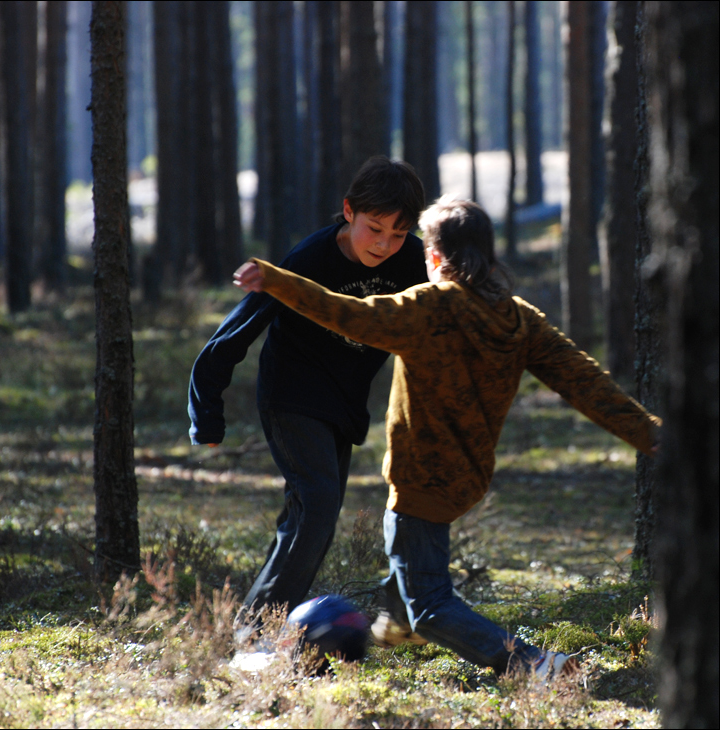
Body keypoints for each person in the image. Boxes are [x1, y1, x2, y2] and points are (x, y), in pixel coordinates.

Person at [233, 196, 662, 680]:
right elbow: (587, 383)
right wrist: (654, 437)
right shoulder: (519, 318)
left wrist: (275, 279)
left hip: (421, 479)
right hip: (468, 478)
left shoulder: (428, 308)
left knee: (431, 604)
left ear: (433, 257)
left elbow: (347, 314)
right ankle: (396, 623)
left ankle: (535, 665)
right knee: (408, 557)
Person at [188, 156, 428, 615]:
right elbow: (236, 331)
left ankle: (260, 623)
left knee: (312, 515)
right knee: (317, 506)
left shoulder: (414, 261)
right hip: (291, 397)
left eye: (398, 234)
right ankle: (256, 631)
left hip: (344, 405)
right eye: (374, 228)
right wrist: (206, 416)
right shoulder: (311, 258)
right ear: (348, 210)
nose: (384, 244)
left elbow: (443, 320)